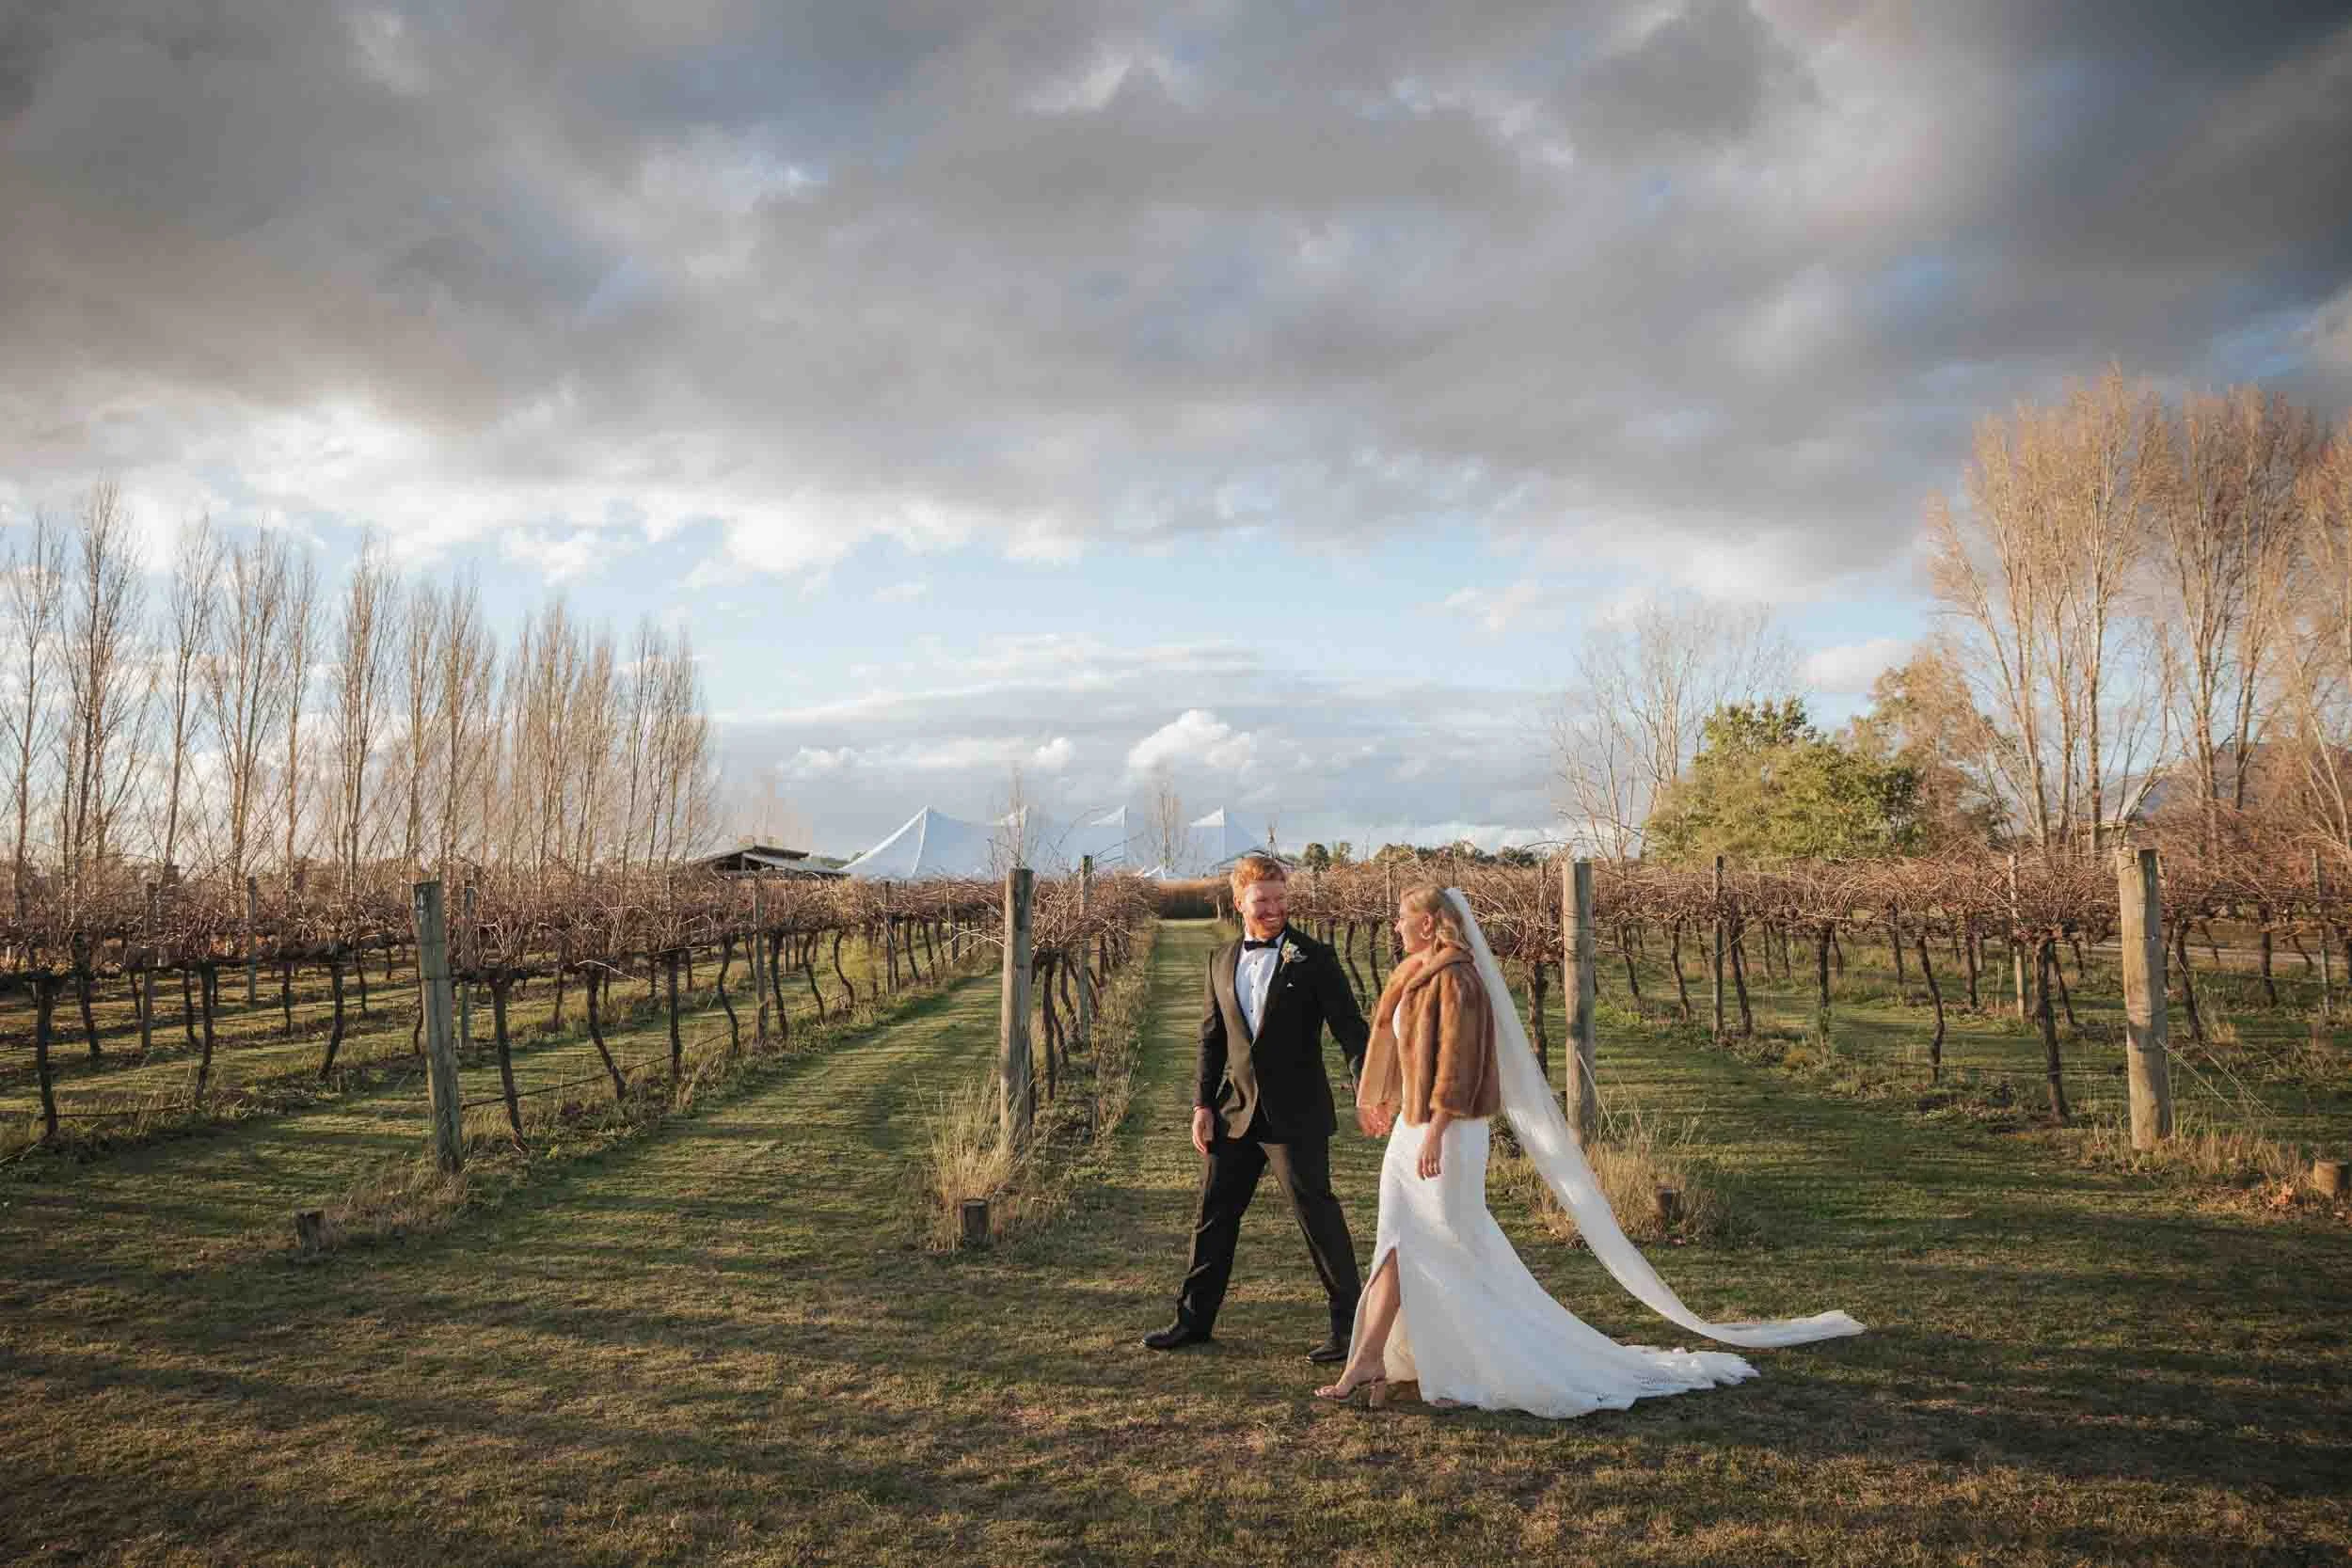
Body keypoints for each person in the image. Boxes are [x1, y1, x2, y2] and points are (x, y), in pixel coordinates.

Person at [1314, 883, 1863, 1416]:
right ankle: (1367, 1360)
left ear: (1428, 923)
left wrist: (1435, 1130)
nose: (1394, 926)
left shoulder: (1459, 981)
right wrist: (1390, 1103)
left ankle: (1474, 1356)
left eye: (1402, 918)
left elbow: (1459, 1067)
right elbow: (1403, 1051)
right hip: (1414, 1126)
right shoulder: (1411, 974)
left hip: (1447, 1131)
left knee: (1448, 1244)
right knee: (1395, 1240)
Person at [1143, 853, 1371, 1363]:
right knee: (1213, 1217)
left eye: (1281, 898)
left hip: (1297, 1115)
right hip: (1235, 1113)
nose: (1274, 908)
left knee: (1319, 1220)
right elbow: (1211, 1038)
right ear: (1240, 902)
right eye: (1263, 900)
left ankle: (1349, 1330)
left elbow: (1351, 1031)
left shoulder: (1315, 958)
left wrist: (1366, 1086)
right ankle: (1193, 1322)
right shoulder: (1219, 961)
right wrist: (1203, 1103)